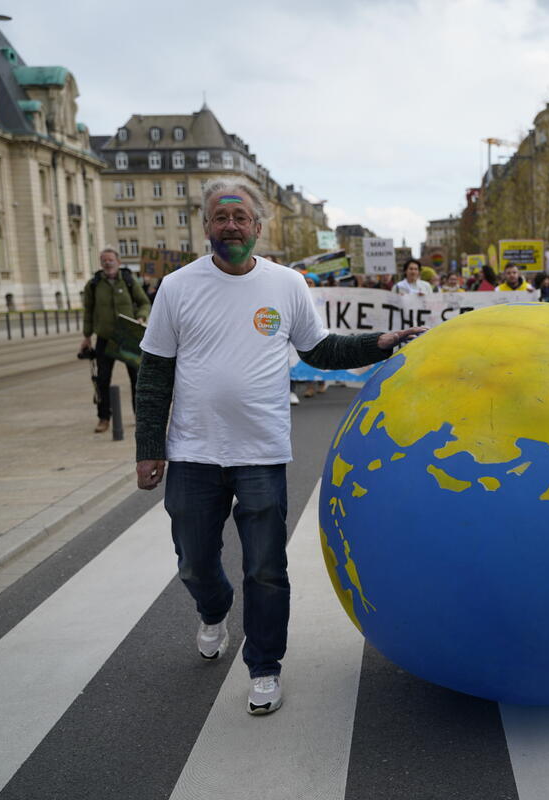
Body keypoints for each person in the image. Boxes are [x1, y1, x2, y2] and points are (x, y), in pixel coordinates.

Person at [134, 180, 424, 715]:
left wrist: (377, 344)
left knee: (266, 567)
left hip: (261, 453)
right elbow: (154, 373)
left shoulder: (286, 284)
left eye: (241, 218)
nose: (231, 227)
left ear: (258, 226)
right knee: (195, 563)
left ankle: (265, 665)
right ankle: (215, 607)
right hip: (194, 451)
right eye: (221, 218)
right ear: (205, 226)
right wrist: (149, 446)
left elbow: (320, 347)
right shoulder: (176, 287)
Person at [80, 249, 151, 433]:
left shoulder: (128, 281)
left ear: (118, 262)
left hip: (127, 337)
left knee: (137, 379)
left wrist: (141, 318)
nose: (107, 263)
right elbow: (88, 312)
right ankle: (104, 418)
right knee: (102, 380)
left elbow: (144, 303)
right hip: (105, 338)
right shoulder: (94, 285)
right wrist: (87, 337)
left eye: (111, 260)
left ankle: (140, 417)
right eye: (104, 260)